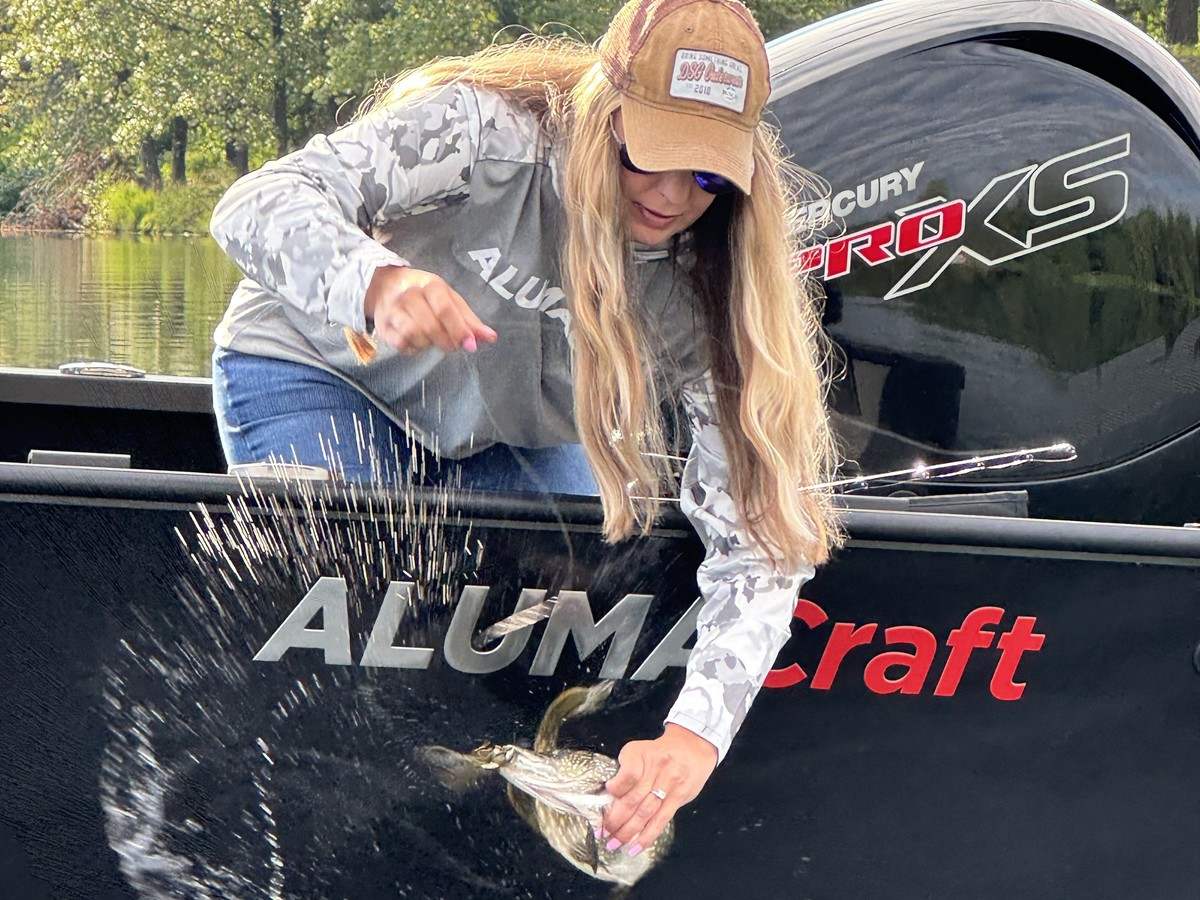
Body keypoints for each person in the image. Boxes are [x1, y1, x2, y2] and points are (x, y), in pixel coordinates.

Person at [209, 0, 842, 864]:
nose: (669, 195)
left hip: (507, 430)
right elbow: (256, 201)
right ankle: (308, 832)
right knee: (345, 618)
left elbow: (763, 539)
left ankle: (468, 847)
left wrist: (696, 735)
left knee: (552, 642)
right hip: (320, 369)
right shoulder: (485, 137)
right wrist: (373, 280)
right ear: (600, 115)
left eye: (705, 177)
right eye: (649, 157)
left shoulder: (716, 281)